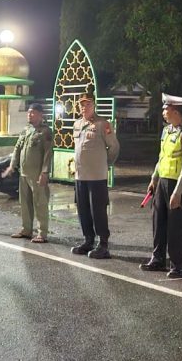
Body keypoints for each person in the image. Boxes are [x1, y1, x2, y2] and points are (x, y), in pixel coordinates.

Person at [139, 93, 182, 279]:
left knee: (176, 227)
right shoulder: (166, 132)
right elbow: (161, 158)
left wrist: (178, 192)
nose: (163, 113)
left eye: (166, 109)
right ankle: (157, 259)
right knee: (158, 223)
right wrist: (153, 179)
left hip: (176, 185)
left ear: (175, 110)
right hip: (162, 182)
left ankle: (177, 266)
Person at [71, 91, 120, 259]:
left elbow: (113, 147)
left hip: (97, 176)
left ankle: (103, 244)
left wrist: (106, 165)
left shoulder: (102, 124)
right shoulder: (77, 124)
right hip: (80, 175)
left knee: (97, 210)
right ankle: (88, 240)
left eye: (88, 104)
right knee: (82, 209)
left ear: (94, 105)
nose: (84, 107)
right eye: (82, 105)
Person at [4, 102, 53, 242]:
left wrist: (45, 173)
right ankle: (26, 229)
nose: (29, 115)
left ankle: (42, 233)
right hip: (24, 173)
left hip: (37, 175)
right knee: (25, 203)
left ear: (40, 115)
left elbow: (48, 154)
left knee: (40, 203)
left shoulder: (45, 132)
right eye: (28, 112)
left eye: (32, 112)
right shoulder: (26, 130)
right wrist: (12, 165)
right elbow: (17, 148)